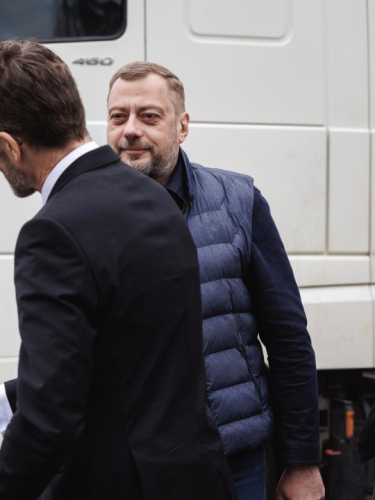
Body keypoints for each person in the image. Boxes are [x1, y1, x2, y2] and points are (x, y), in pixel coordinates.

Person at [0, 39, 235, 499]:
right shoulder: (154, 195)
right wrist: (1, 401)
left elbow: (50, 421)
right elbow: (127, 359)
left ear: (10, 146)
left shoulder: (53, 232)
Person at [104, 62, 324, 500]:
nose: (130, 130)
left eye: (149, 116)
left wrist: (302, 462)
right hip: (125, 465)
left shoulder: (238, 203)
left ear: (182, 127)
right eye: (117, 117)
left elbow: (287, 338)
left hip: (230, 460)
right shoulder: (84, 214)